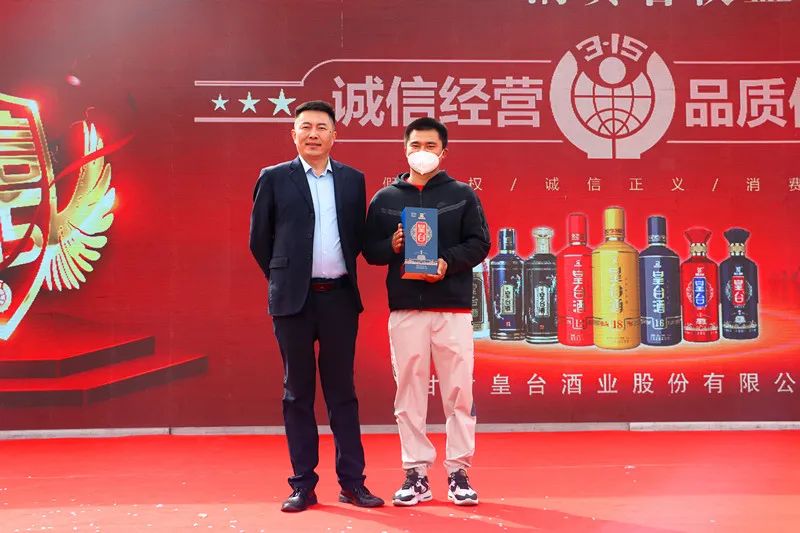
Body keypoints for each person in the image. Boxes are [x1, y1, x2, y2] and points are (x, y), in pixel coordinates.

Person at [249, 100, 383, 512]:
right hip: (294, 302)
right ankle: (303, 485)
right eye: (305, 126)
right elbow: (259, 240)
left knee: (343, 392)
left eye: (321, 127)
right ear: (293, 134)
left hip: (339, 298)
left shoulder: (353, 180)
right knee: (297, 393)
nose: (313, 134)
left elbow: (357, 238)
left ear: (333, 135)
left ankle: (353, 483)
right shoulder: (274, 178)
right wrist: (286, 278)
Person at [363, 117, 490, 506]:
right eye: (415, 145)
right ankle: (415, 472)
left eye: (430, 145)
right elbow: (369, 250)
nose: (422, 152)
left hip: (452, 309)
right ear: (405, 149)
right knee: (409, 393)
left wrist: (446, 263)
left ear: (443, 151)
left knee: (459, 391)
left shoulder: (462, 194)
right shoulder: (385, 199)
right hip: (406, 310)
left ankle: (459, 471)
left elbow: (479, 243)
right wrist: (393, 245)